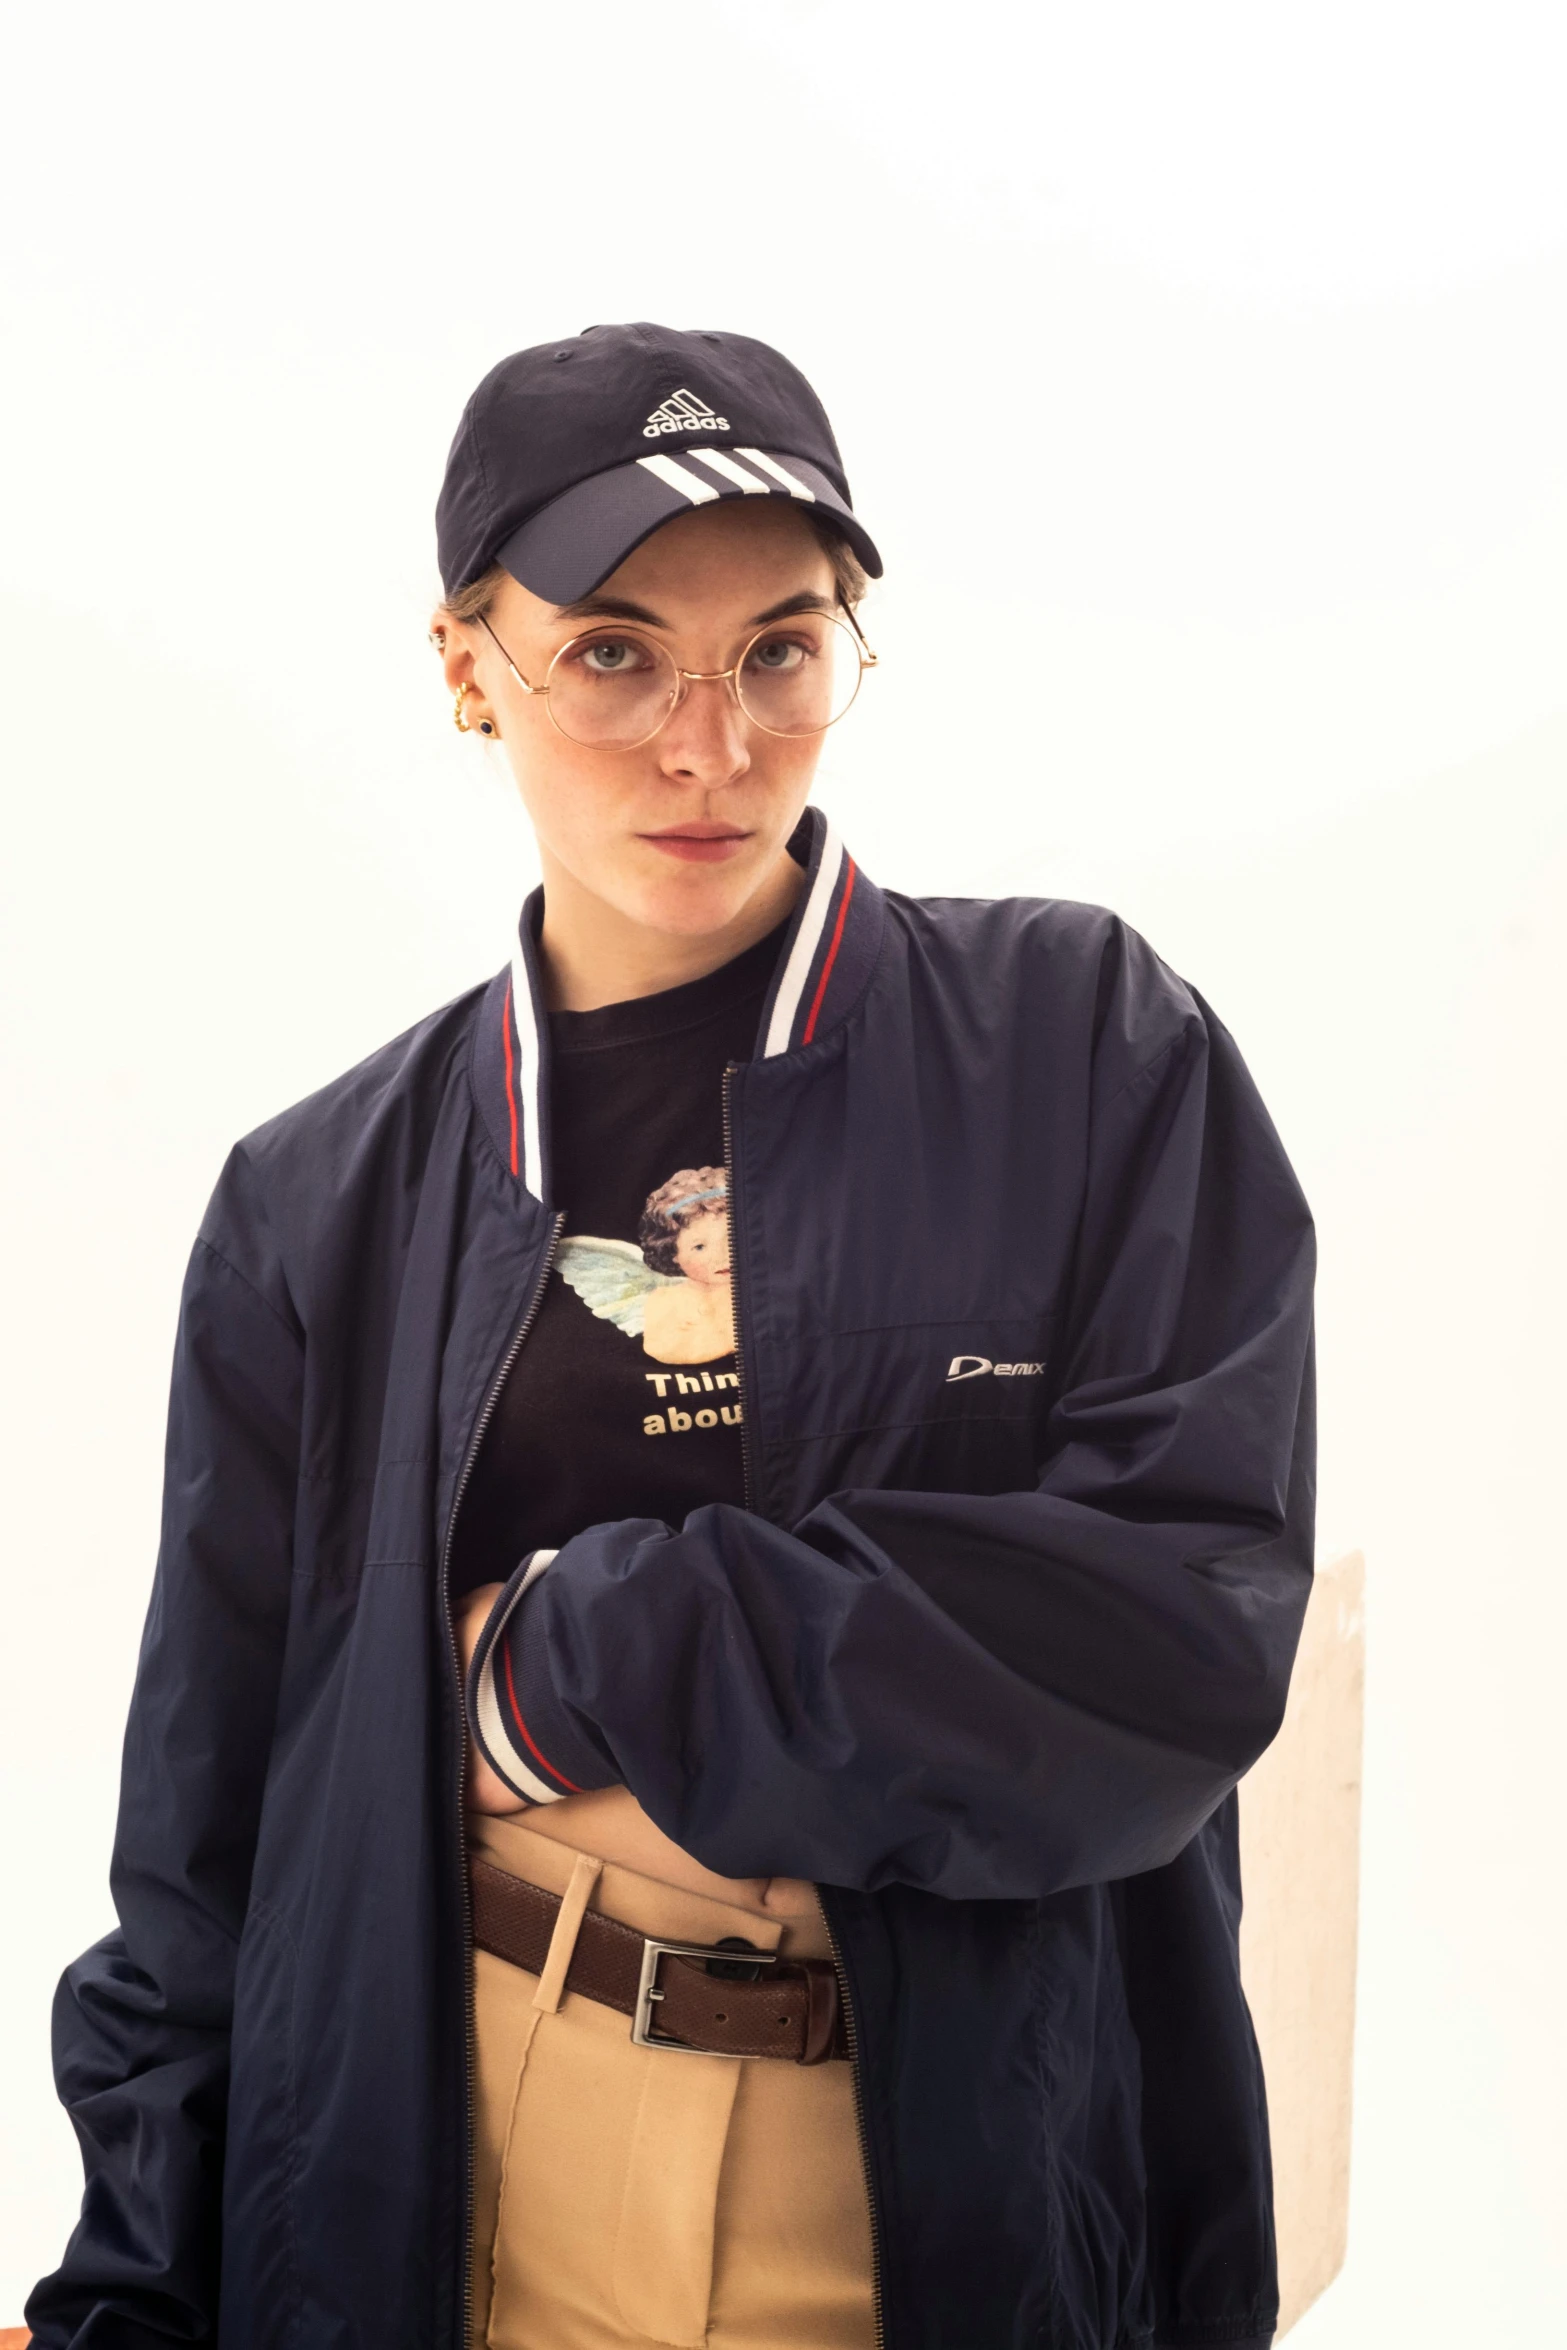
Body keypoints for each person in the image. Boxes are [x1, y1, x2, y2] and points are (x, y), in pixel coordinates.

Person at [28, 322, 1316, 2350]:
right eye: (615, 653)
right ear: (469, 670)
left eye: (781, 652)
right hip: (463, 2163)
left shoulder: (1088, 1047)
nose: (709, 746)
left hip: (931, 2184)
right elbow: (206, 1855)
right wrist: (124, 2298)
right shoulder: (321, 1196)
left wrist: (552, 1667)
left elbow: (1177, 1634)